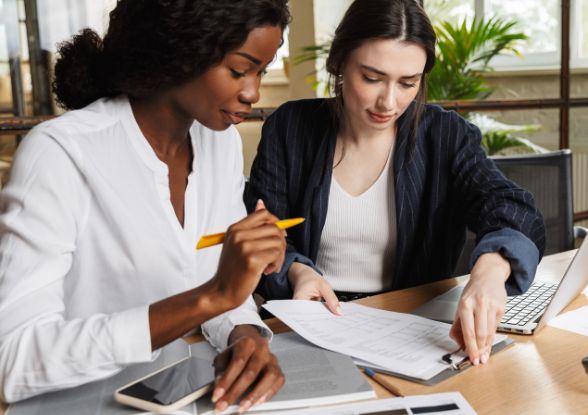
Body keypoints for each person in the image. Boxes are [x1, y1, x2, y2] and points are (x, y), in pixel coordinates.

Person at [0, 1, 289, 412]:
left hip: (182, 395)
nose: (252, 92)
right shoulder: (61, 153)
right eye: (239, 70)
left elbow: (220, 287)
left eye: (261, 70)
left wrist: (245, 334)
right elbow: (12, 360)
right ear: (181, 51)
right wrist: (211, 297)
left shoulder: (219, 142)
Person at [245, 0, 546, 368]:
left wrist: (492, 268)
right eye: (371, 78)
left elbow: (512, 207)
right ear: (339, 63)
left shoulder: (445, 136)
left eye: (408, 83)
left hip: (410, 329)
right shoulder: (290, 128)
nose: (389, 102)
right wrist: (296, 269)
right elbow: (262, 232)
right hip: (309, 326)